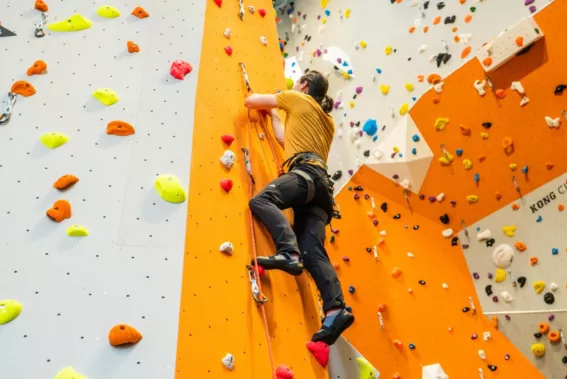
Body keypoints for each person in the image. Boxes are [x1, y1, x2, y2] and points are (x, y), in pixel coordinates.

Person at [244, 70, 354, 346]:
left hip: (305, 176)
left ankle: (288, 252)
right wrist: (274, 116)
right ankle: (335, 309)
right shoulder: (326, 120)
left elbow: (251, 101)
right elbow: (287, 141)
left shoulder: (296, 98)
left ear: (303, 85)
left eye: (298, 83)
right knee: (313, 251)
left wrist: (271, 103)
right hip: (322, 191)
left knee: (262, 200)